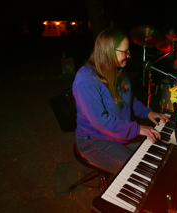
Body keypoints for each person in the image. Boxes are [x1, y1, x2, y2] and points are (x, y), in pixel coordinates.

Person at [72, 27, 170, 175]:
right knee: (140, 171)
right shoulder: (86, 80)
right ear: (108, 53)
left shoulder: (116, 70)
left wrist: (147, 113)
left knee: (155, 152)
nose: (129, 55)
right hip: (94, 141)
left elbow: (128, 99)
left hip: (116, 132)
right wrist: (138, 129)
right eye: (125, 52)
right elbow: (101, 122)